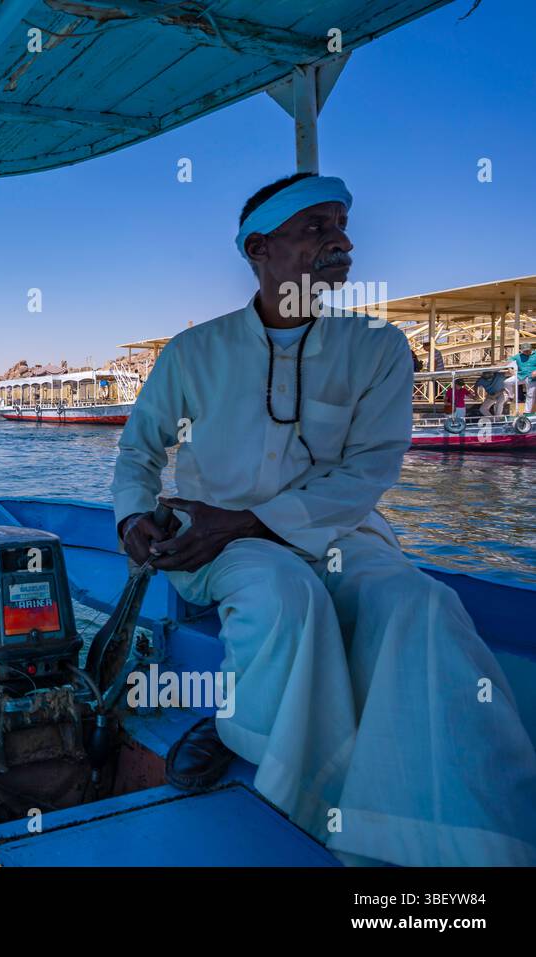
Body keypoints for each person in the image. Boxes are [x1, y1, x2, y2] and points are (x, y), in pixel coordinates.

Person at [111, 171, 536, 866]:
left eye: (341, 225)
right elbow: (139, 449)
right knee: (282, 593)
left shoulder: (377, 350)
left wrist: (249, 519)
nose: (341, 241)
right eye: (316, 228)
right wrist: (132, 517)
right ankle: (247, 731)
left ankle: (477, 841)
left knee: (421, 604)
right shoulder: (193, 354)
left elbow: (369, 470)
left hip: (340, 534)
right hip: (213, 548)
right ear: (259, 248)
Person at [503, 343, 536, 414]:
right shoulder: (518, 356)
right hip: (521, 376)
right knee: (507, 382)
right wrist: (509, 367)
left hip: (532, 378)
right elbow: (509, 360)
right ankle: (511, 396)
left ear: (531, 349)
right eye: (524, 351)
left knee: (530, 395)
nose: (526, 352)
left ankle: (527, 412)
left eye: (527, 351)